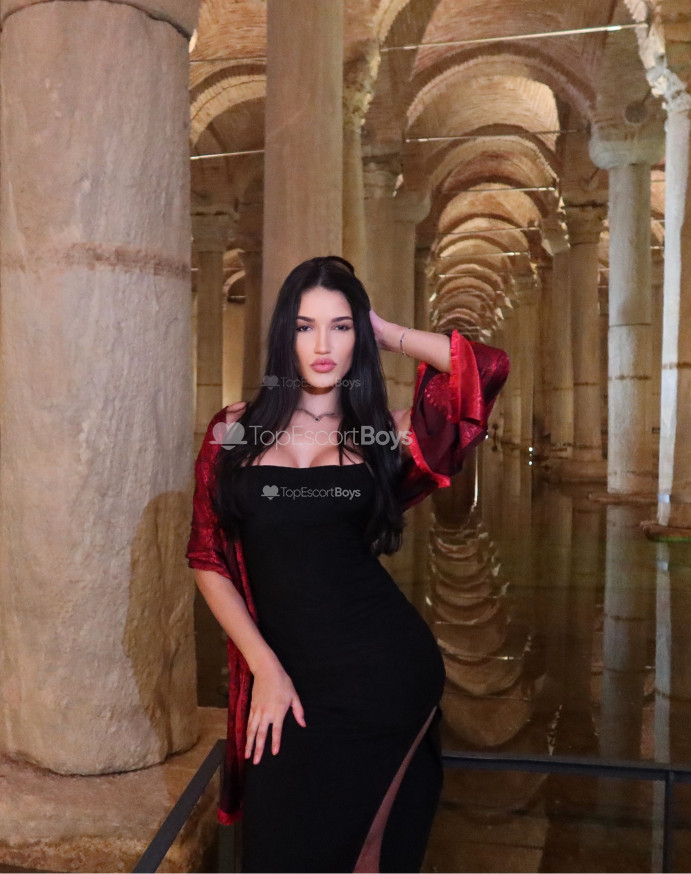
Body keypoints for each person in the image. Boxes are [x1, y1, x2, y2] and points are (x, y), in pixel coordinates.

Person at [186, 255, 510, 872]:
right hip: (286, 680)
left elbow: (487, 368)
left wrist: (386, 332)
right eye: (305, 326)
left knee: (366, 856)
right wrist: (266, 669)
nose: (323, 345)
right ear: (284, 335)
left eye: (340, 326)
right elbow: (207, 559)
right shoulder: (232, 430)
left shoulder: (385, 435)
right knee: (277, 855)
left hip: (384, 675)